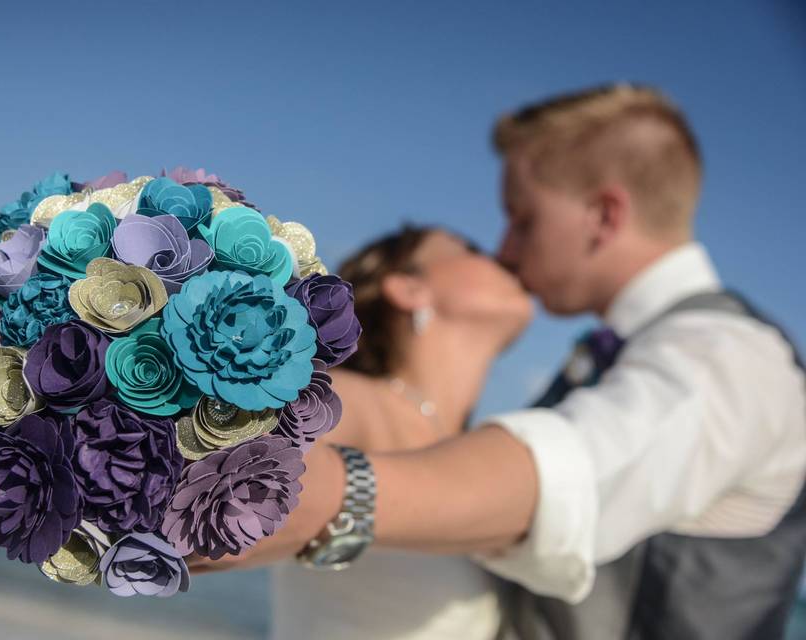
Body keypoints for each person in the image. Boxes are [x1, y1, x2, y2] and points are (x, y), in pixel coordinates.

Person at [192, 84, 806, 640]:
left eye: (522, 218)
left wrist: (338, 501)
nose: (508, 249)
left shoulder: (728, 356)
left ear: (606, 216)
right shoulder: (368, 402)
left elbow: (577, 471)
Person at [271, 225, 532, 639]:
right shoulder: (346, 398)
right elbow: (249, 479)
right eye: (472, 247)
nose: (505, 258)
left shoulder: (483, 446)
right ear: (409, 288)